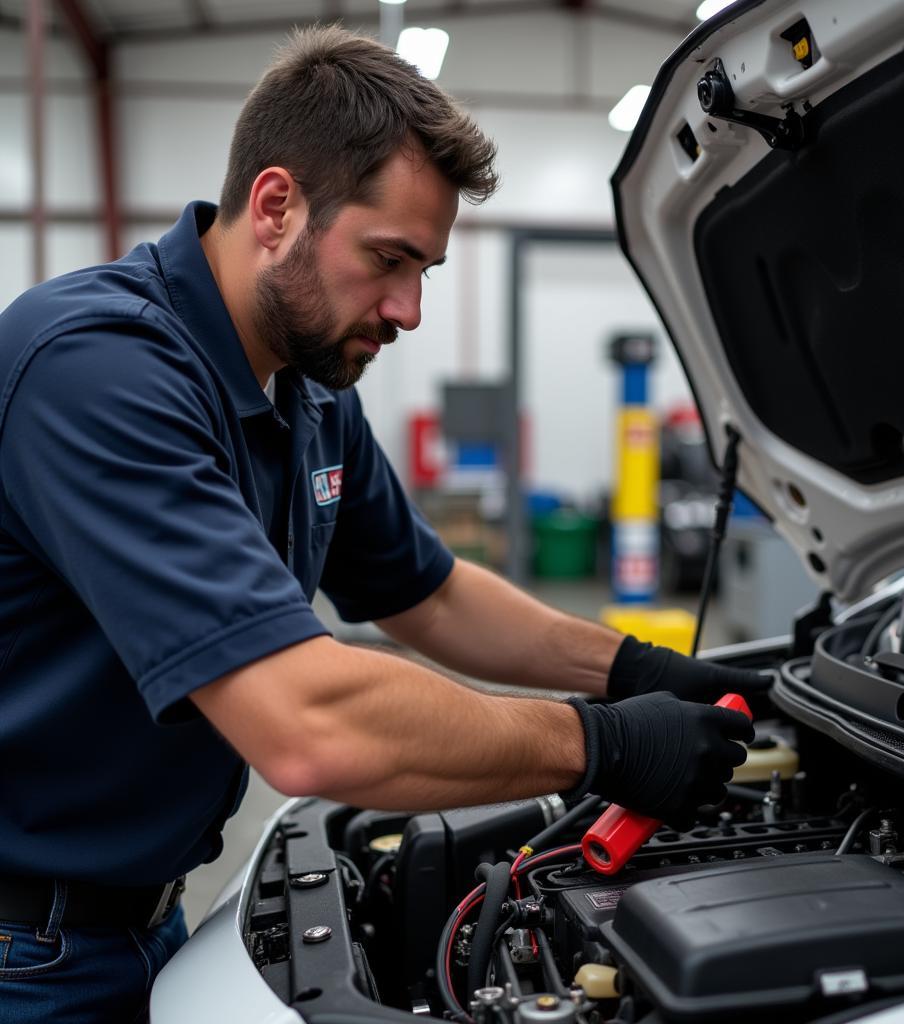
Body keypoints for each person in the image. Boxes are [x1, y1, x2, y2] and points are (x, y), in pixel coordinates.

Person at [0, 24, 763, 1023]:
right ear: (275, 207)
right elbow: (307, 723)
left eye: (427, 271)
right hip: (25, 949)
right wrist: (604, 742)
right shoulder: (95, 369)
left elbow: (430, 593)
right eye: (388, 259)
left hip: (145, 921)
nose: (406, 310)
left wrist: (633, 670)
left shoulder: (309, 391)